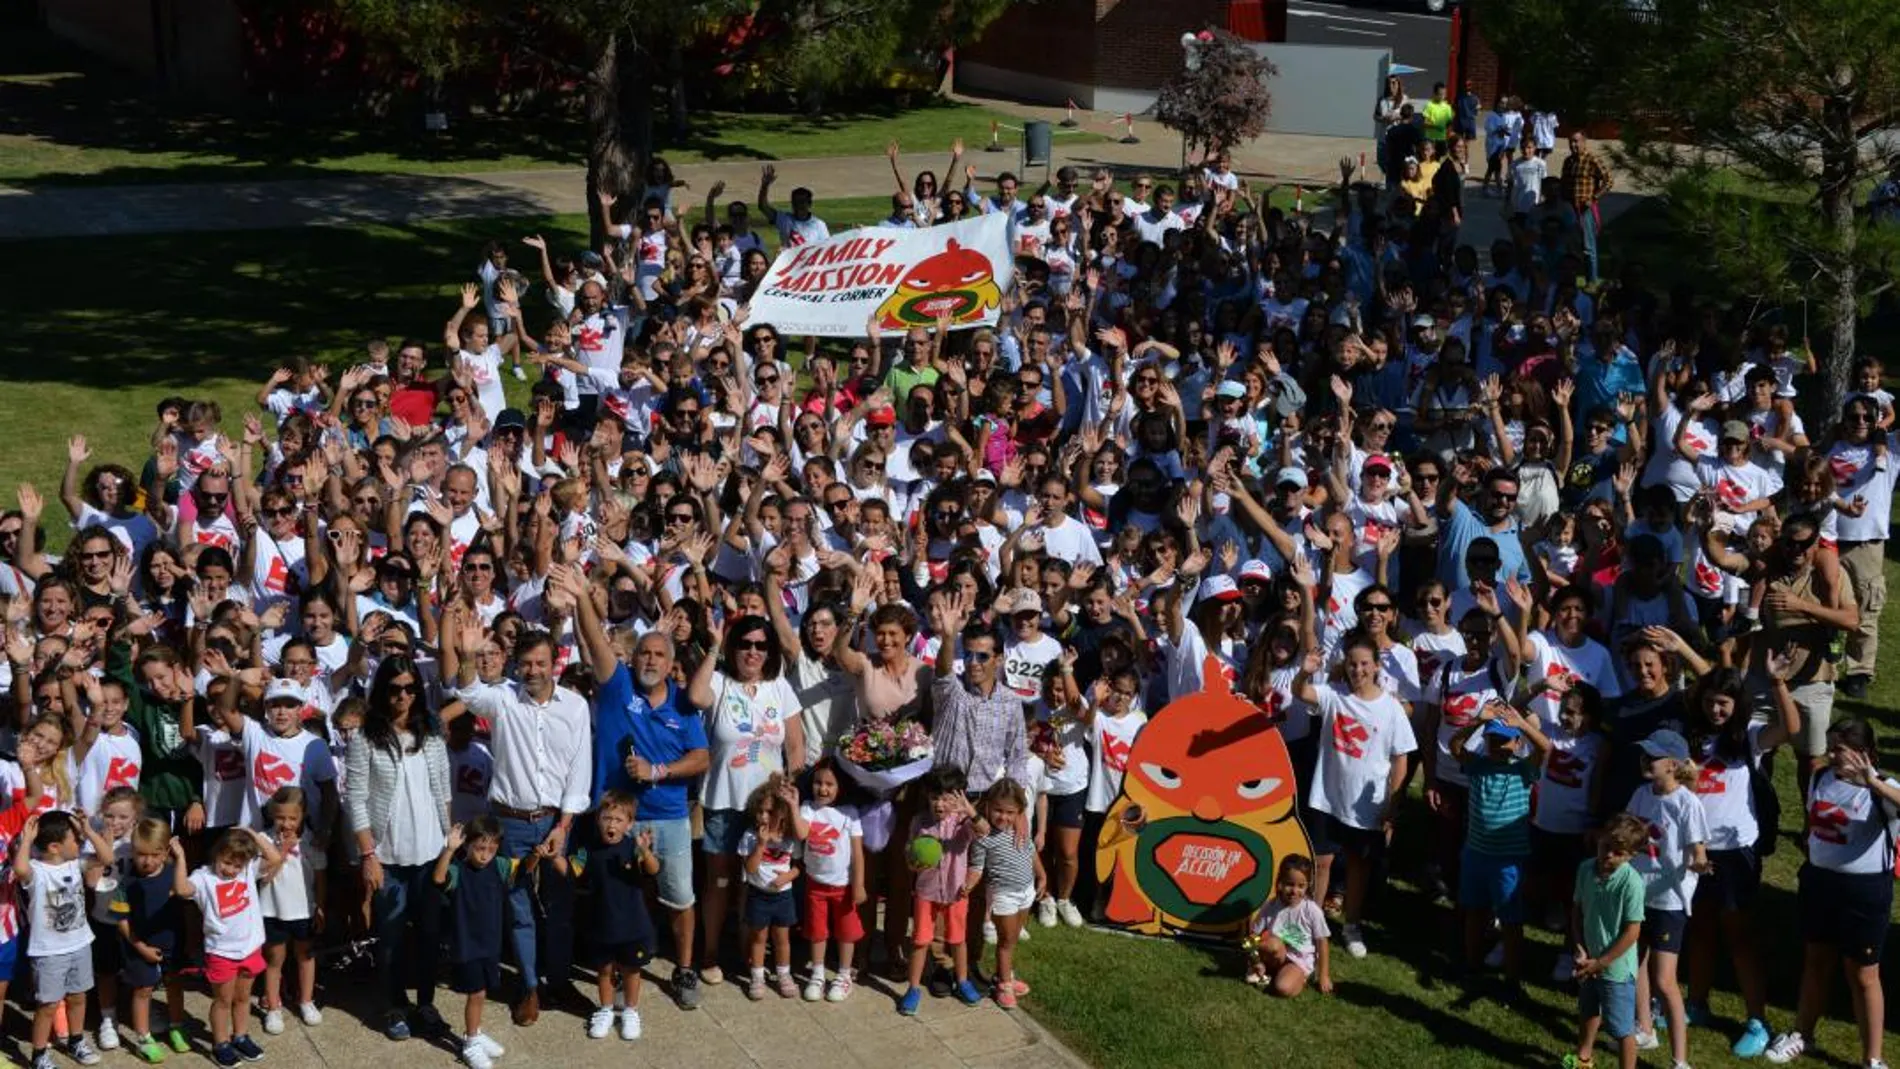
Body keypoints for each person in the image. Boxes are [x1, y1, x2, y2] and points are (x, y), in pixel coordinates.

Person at [446, 621, 593, 1025]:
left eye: (540, 663)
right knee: (519, 907)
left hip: (556, 822)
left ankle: (559, 982)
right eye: (526, 664)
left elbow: (580, 771)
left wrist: (563, 827)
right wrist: (467, 655)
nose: (533, 671)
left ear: (555, 663)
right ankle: (529, 986)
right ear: (517, 666)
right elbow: (468, 691)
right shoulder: (503, 699)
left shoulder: (576, 707)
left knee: (561, 906)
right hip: (509, 823)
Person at [685, 613, 804, 987]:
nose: (752, 652)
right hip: (723, 799)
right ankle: (710, 952)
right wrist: (716, 646)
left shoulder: (779, 688)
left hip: (766, 808)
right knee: (718, 882)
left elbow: (796, 747)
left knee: (756, 879)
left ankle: (747, 953)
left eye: (760, 645)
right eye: (744, 644)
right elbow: (694, 696)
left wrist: (789, 786)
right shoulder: (720, 683)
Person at [345, 656, 451, 1040]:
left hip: (430, 854)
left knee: (429, 935)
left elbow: (443, 790)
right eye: (394, 689)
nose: (403, 696)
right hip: (388, 856)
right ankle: (393, 1006)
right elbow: (355, 798)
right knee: (389, 939)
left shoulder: (432, 733)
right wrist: (368, 855)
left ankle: (425, 1002)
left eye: (410, 688)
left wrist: (448, 847)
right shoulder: (365, 737)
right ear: (381, 691)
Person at [1623, 729, 1711, 1063]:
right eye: (1645, 754)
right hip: (1637, 893)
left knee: (1665, 980)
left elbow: (1698, 850)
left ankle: (1680, 1059)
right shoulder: (1641, 794)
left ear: (1673, 764)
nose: (1646, 760)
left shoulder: (1687, 803)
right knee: (1636, 962)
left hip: (1668, 902)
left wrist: (1700, 866)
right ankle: (1644, 1029)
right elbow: (1628, 831)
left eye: (1654, 756)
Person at [555, 791, 659, 1039]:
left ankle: (631, 1011)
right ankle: (606, 1009)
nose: (611, 824)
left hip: (633, 925)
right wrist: (554, 857)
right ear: (598, 820)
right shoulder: (587, 849)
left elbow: (653, 870)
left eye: (618, 819)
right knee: (604, 971)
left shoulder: (633, 849)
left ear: (630, 824)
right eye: (606, 818)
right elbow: (571, 872)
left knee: (631, 970)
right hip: (600, 923)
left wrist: (645, 852)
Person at [180, 827, 284, 1069]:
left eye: (236, 866)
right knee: (222, 1000)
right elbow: (183, 890)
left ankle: (241, 1036)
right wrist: (181, 858)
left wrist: (251, 834)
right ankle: (221, 1043)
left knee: (243, 997)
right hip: (221, 952)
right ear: (216, 854)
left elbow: (275, 858)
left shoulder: (247, 869)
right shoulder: (204, 877)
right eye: (226, 862)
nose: (230, 870)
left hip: (249, 947)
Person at [19, 809, 113, 1069]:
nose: (80, 843)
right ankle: (38, 1055)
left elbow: (108, 857)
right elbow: (19, 868)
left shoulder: (76, 862)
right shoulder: (37, 871)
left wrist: (90, 831)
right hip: (48, 952)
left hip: (80, 944)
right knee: (47, 1005)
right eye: (76, 839)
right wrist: (27, 840)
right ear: (54, 846)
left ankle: (76, 1041)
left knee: (79, 997)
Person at [897, 766, 985, 1015]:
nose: (940, 804)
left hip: (957, 893)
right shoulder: (919, 822)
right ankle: (913, 988)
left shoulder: (963, 824)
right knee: (920, 940)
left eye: (947, 798)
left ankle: (963, 980)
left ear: (959, 798)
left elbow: (984, 830)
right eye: (935, 797)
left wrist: (970, 811)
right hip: (926, 892)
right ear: (927, 796)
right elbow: (909, 857)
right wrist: (913, 863)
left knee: (957, 940)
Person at [1565, 813, 1649, 1069]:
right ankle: (1584, 1058)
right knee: (1588, 1011)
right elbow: (1577, 912)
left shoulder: (1632, 883)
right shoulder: (1585, 869)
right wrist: (1580, 947)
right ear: (1598, 840)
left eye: (1617, 852)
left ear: (1631, 856)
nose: (1608, 856)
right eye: (1605, 847)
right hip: (1589, 961)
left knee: (1621, 1029)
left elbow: (1632, 932)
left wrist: (1602, 962)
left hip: (1616, 970)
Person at [433, 817, 513, 1069]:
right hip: (467, 945)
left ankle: (475, 1033)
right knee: (476, 993)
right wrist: (449, 849)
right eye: (480, 848)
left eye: (491, 849)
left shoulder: (500, 866)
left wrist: (538, 855)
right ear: (468, 845)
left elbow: (521, 870)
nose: (485, 855)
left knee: (483, 992)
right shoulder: (458, 870)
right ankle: (470, 1043)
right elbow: (438, 878)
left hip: (490, 944)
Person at [965, 777, 1042, 1009]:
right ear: (987, 806)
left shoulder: (1020, 829)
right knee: (1006, 942)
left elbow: (1030, 852)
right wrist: (967, 885)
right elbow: (977, 867)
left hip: (1026, 890)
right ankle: (1003, 986)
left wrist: (1043, 875)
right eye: (998, 810)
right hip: (1004, 895)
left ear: (1019, 812)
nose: (1004, 817)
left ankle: (1004, 975)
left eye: (1010, 812)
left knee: (1013, 938)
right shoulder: (983, 837)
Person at [798, 758, 865, 1002]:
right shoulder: (807, 808)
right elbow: (801, 832)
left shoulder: (849, 814)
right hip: (815, 884)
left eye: (829, 784)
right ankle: (817, 973)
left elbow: (858, 853)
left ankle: (844, 975)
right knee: (817, 931)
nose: (823, 789)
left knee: (846, 932)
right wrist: (790, 803)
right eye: (818, 783)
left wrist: (858, 885)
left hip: (843, 886)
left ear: (841, 787)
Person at [738, 775, 802, 1001]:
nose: (763, 817)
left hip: (783, 897)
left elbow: (797, 867)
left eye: (770, 812)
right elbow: (751, 868)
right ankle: (757, 976)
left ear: (782, 814)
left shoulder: (790, 837)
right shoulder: (750, 836)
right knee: (759, 938)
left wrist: (788, 877)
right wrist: (761, 844)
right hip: (759, 896)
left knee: (782, 938)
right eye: (760, 811)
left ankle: (784, 974)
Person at [1245, 855, 1332, 999]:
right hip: (1278, 954)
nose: (1294, 891)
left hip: (1299, 960)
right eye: (1289, 884)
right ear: (1280, 882)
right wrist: (1256, 961)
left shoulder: (1312, 910)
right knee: (1273, 944)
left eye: (1300, 886)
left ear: (1308, 885)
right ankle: (1261, 969)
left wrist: (1323, 976)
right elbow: (1252, 937)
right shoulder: (1271, 905)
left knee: (1283, 988)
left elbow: (1322, 943)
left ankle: (1298, 977)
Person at [1560, 132, 1613, 280]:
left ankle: (1592, 279)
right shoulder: (1568, 161)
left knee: (1588, 247)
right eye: (1571, 142)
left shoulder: (1592, 160)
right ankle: (1571, 277)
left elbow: (1608, 181)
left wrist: (1594, 197)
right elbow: (1563, 183)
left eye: (1576, 142)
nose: (1573, 145)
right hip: (1570, 208)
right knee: (1570, 245)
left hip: (1585, 209)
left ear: (1584, 142)